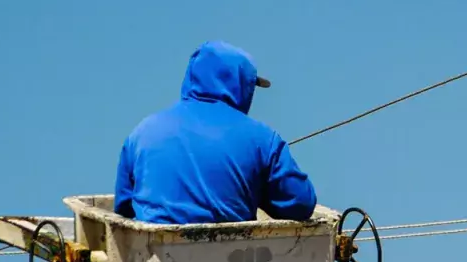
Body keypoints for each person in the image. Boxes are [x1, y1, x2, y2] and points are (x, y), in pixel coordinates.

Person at [114, 40, 317, 225]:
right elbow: (301, 204)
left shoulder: (142, 131)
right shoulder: (264, 140)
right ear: (242, 86)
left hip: (152, 259)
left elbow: (123, 209)